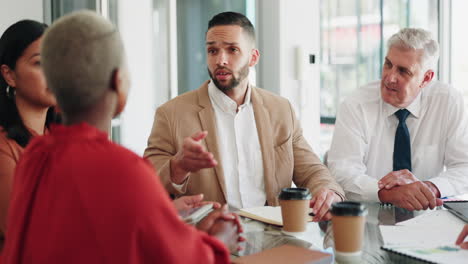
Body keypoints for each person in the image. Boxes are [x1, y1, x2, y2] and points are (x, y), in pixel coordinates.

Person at [1, 10, 241, 263]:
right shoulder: (125, 168)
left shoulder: (36, 155)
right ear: (117, 83)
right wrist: (219, 240)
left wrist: (162, 216)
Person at [144, 11, 344, 221]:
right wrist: (178, 166)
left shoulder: (281, 110)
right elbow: (146, 184)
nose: (221, 60)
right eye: (213, 50)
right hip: (209, 239)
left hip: (273, 236)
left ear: (253, 57)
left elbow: (311, 169)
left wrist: (328, 191)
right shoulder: (171, 114)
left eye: (232, 50)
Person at [328, 28, 468, 211]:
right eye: (388, 64)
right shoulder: (356, 104)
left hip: (428, 217)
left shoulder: (448, 101)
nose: (390, 77)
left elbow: (464, 167)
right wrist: (387, 193)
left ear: (426, 78)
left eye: (403, 71)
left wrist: (429, 188)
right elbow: (342, 171)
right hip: (367, 218)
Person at [0, 20, 59, 245]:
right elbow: (21, 234)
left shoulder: (62, 139)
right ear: (9, 75)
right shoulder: (4, 147)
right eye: (40, 63)